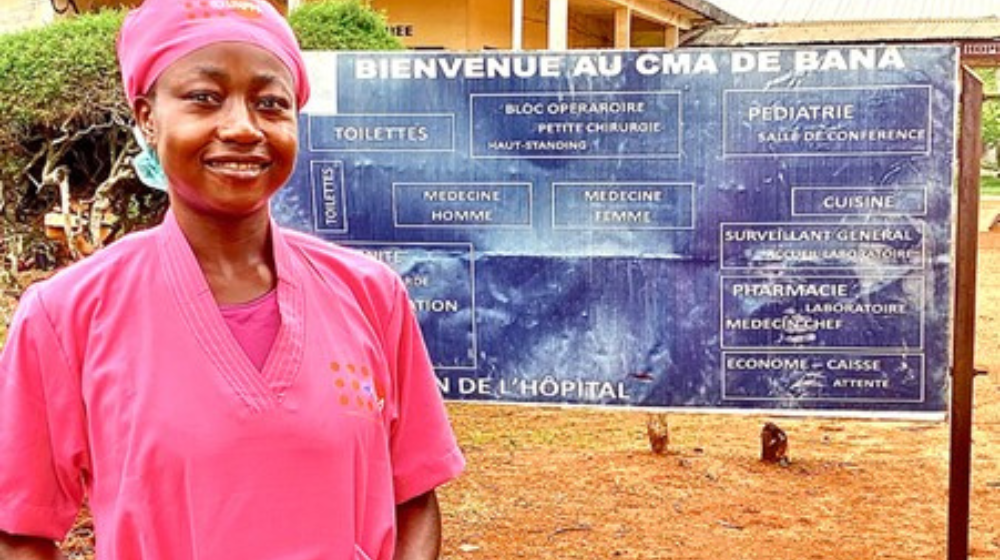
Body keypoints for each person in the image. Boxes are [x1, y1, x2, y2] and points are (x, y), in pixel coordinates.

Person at [0, 0, 465, 558]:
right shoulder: (65, 316)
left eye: (271, 103)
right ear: (147, 116)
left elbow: (412, 497)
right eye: (205, 97)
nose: (243, 128)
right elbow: (21, 531)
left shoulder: (371, 295)